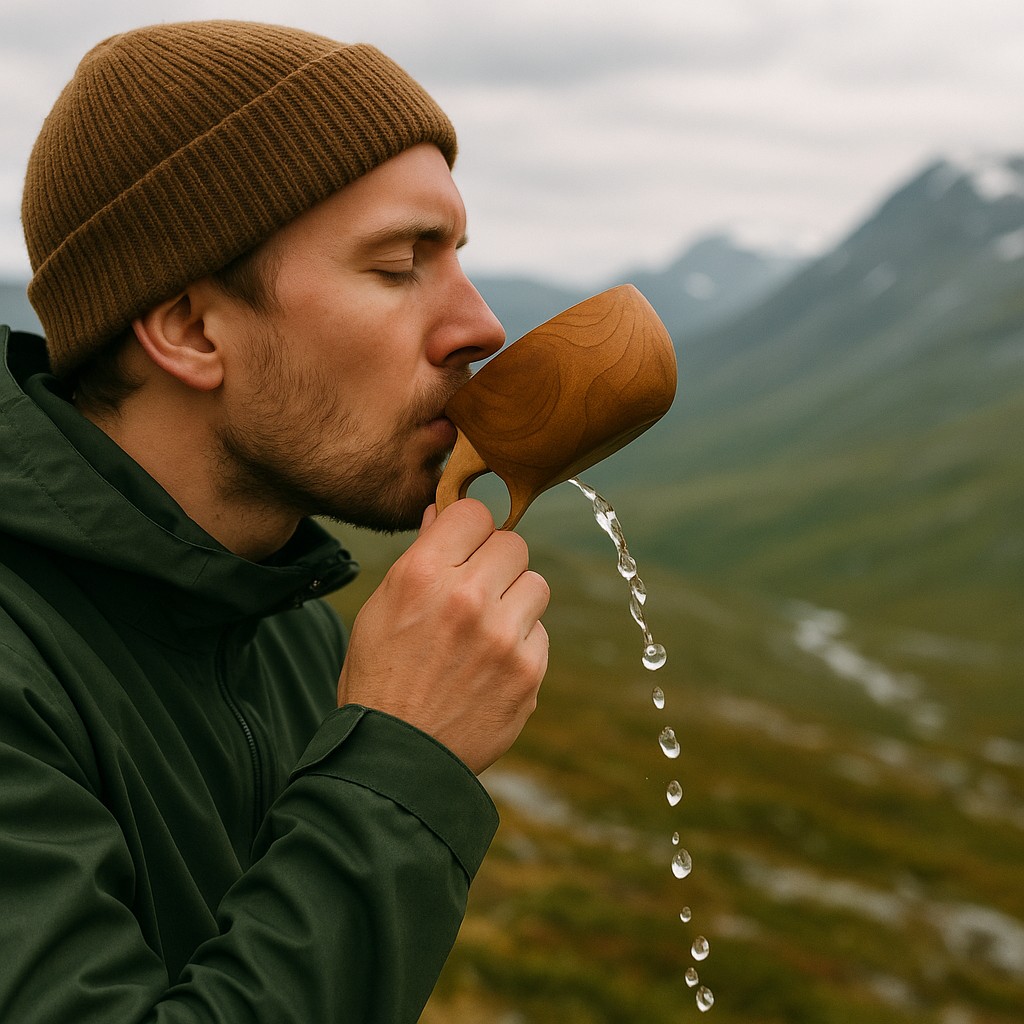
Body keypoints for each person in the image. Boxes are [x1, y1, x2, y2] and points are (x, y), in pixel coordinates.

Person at [0, 19, 549, 1023]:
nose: (480, 326)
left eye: (457, 254)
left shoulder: (285, 618)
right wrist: (400, 757)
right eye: (398, 265)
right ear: (191, 329)